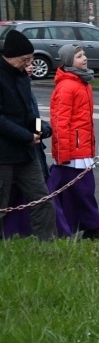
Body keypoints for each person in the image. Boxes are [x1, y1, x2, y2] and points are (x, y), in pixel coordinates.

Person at [0, 30, 58, 240]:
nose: (28, 64)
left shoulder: (22, 76)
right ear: (10, 56)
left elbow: (29, 111)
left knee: (42, 200)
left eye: (31, 59)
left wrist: (38, 130)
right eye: (25, 59)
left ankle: (46, 245)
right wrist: (26, 136)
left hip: (26, 153)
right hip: (4, 155)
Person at [47, 44, 99, 239]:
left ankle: (83, 226)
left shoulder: (83, 82)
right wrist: (63, 154)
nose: (84, 58)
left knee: (81, 192)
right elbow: (60, 122)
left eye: (84, 54)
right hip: (72, 153)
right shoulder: (67, 86)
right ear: (69, 61)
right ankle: (91, 226)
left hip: (82, 149)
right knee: (80, 192)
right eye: (78, 56)